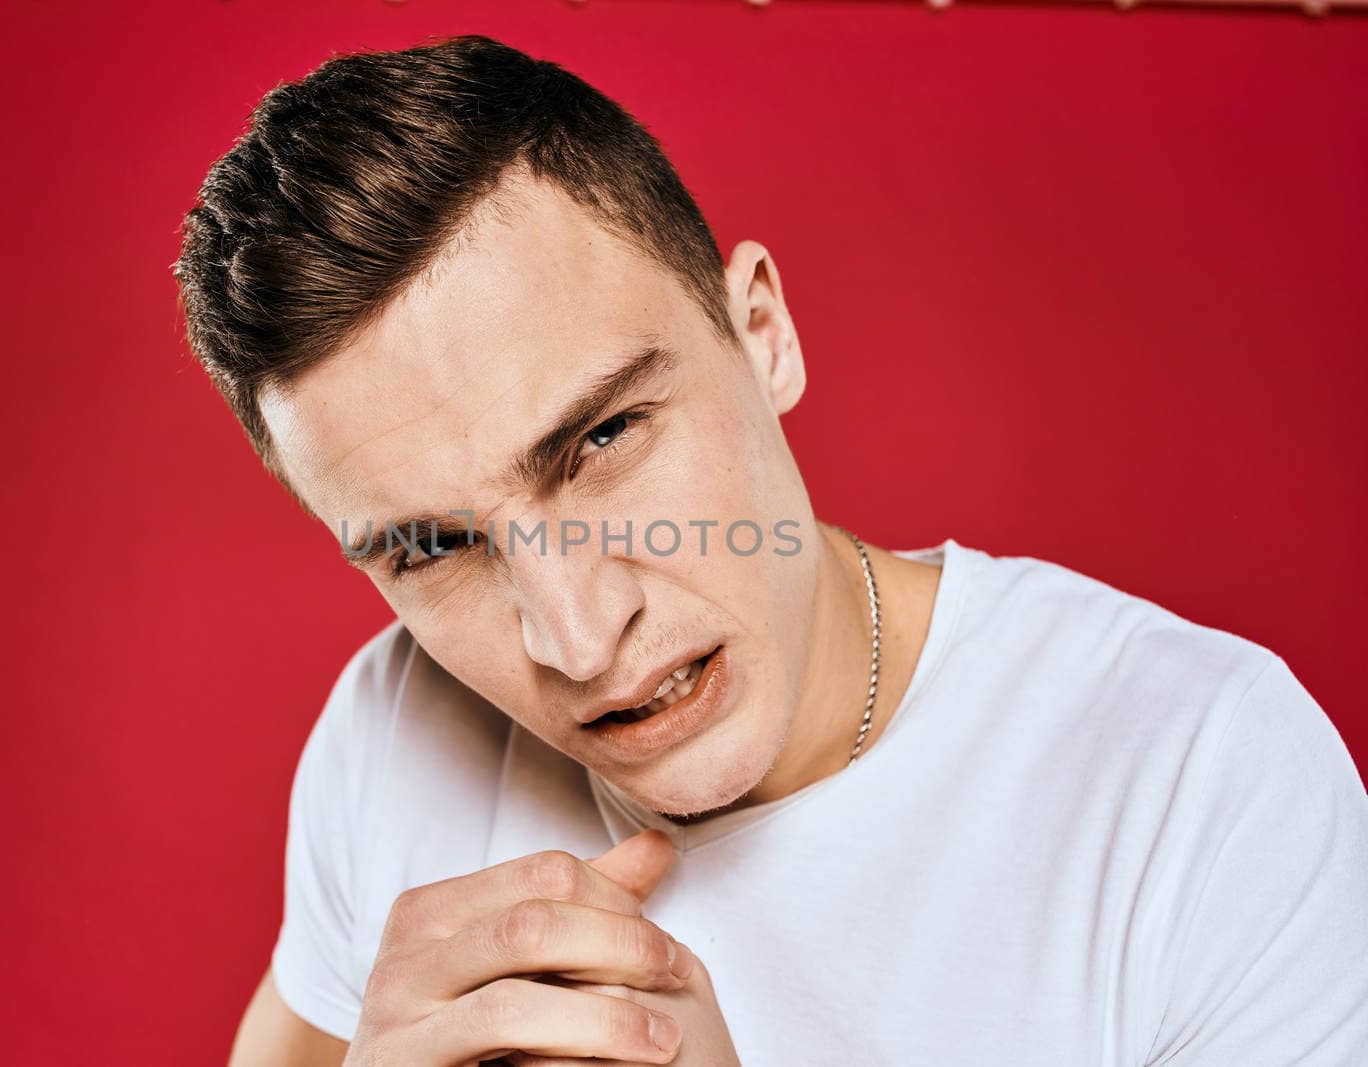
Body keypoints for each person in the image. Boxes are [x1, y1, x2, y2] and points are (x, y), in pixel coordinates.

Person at [172, 34, 1368, 1067]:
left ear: (762, 333)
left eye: (600, 439)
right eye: (433, 545)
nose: (582, 637)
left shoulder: (1200, 777)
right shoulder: (391, 729)